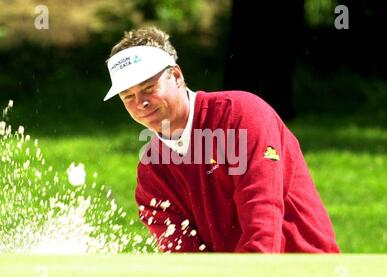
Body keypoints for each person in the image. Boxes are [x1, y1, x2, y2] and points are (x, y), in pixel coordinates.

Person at [103, 26, 340, 253]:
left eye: (149, 87)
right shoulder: (151, 177)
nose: (141, 103)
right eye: (128, 96)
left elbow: (263, 223)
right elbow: (187, 263)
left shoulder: (242, 116)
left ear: (176, 76)